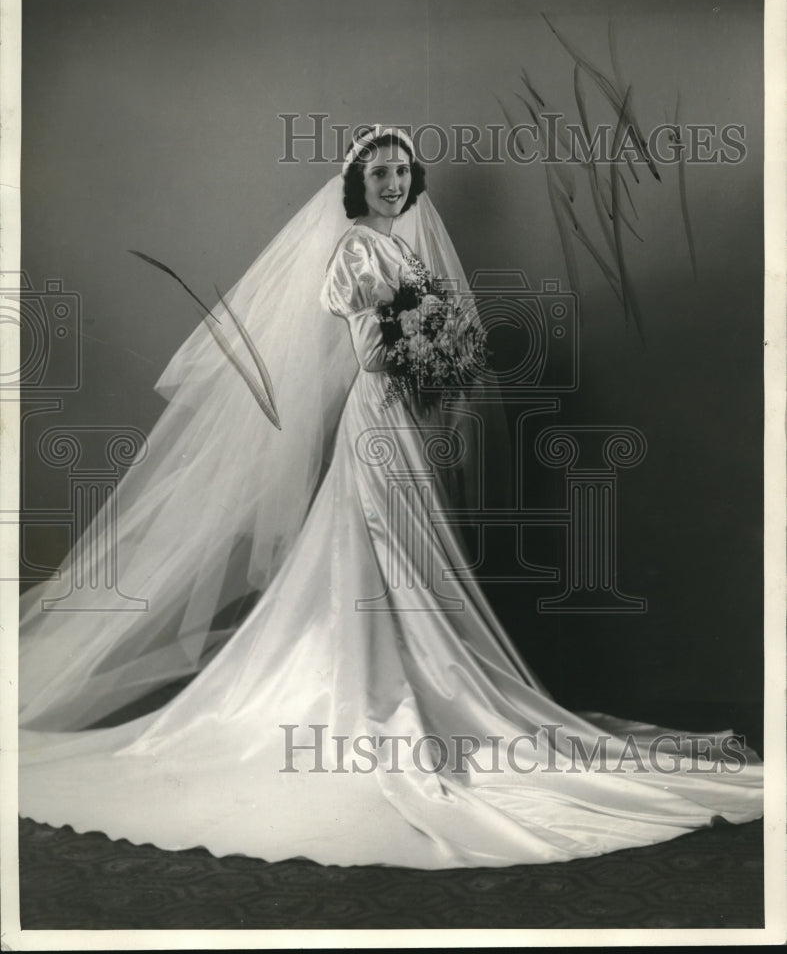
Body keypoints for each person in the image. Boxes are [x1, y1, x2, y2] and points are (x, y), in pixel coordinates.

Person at [18, 126, 763, 869]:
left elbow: (422, 337)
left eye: (402, 173)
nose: (393, 184)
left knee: (406, 556)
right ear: (356, 183)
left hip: (405, 420)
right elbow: (369, 353)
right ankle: (368, 699)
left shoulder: (403, 248)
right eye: (379, 174)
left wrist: (435, 347)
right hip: (377, 419)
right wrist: (416, 335)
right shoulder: (354, 251)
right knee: (377, 552)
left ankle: (417, 688)